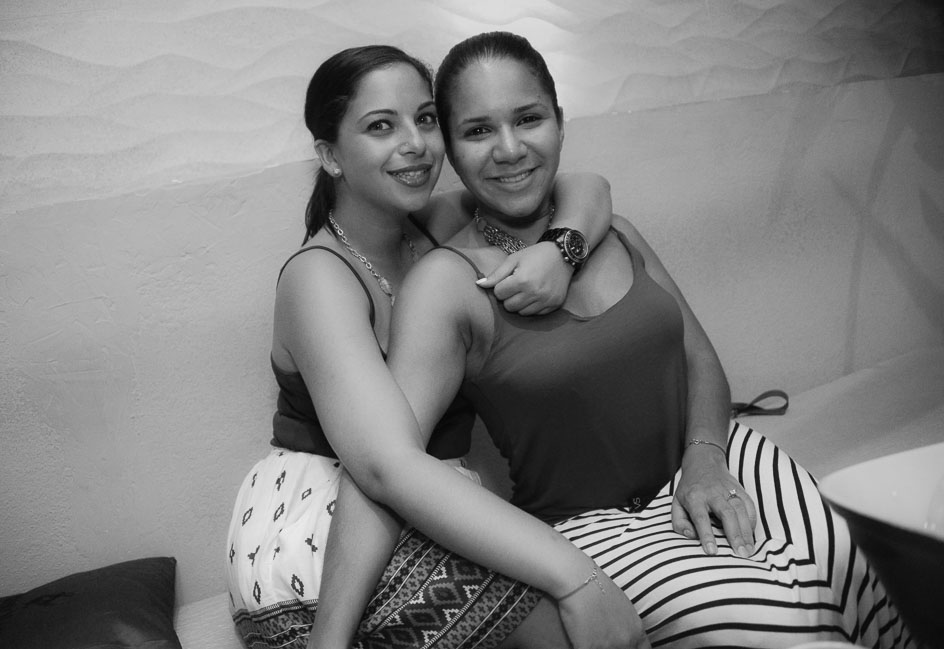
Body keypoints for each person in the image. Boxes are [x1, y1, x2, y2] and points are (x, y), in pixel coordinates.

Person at [318, 32, 914, 648]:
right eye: (477, 131)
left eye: (529, 119)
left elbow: (699, 358)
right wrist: (329, 638)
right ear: (451, 148)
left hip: (723, 453)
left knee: (864, 572)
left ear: (559, 121)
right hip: (599, 526)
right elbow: (385, 463)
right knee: (780, 626)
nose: (510, 149)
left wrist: (706, 457)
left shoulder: (611, 229)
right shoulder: (448, 284)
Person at [225, 44, 619, 648]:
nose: (415, 143)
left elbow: (585, 186)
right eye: (381, 126)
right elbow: (385, 465)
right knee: (560, 621)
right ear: (329, 155)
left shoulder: (435, 229)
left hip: (420, 498)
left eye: (426, 119)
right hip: (323, 517)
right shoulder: (319, 277)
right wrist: (577, 576)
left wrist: (559, 252)